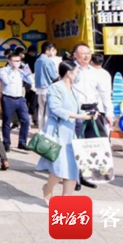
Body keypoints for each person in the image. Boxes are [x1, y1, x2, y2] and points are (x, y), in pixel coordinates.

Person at [38, 60, 99, 205]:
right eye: (77, 72)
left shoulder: (73, 89)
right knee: (58, 167)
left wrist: (89, 113)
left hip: (70, 131)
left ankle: (66, 200)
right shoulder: (55, 87)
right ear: (69, 73)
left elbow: (76, 108)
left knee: (72, 167)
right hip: (57, 131)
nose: (78, 75)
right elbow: (55, 108)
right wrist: (79, 116)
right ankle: (48, 189)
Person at [71, 43, 112, 190]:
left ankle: (86, 175)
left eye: (88, 53)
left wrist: (109, 113)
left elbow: (104, 93)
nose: (86, 56)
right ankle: (74, 178)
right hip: (76, 113)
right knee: (75, 146)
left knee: (91, 146)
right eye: (83, 53)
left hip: (93, 112)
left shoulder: (95, 72)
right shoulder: (70, 70)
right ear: (75, 55)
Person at [0, 51, 34, 152]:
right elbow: (7, 81)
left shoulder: (21, 72)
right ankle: (6, 143)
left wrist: (27, 72)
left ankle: (22, 142)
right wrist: (13, 70)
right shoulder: (4, 71)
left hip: (20, 98)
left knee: (25, 120)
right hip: (8, 98)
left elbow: (31, 81)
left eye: (19, 61)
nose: (17, 63)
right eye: (15, 61)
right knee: (7, 121)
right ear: (9, 61)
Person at [34, 42, 59, 131]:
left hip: (39, 89)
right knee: (47, 112)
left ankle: (40, 130)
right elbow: (54, 76)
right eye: (52, 50)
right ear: (47, 51)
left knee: (41, 110)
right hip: (48, 88)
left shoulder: (38, 60)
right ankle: (46, 131)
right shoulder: (48, 61)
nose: (53, 52)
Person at [90, 53, 113, 129]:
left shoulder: (90, 73)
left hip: (95, 107)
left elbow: (104, 93)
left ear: (91, 61)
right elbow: (107, 94)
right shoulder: (106, 73)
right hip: (103, 107)